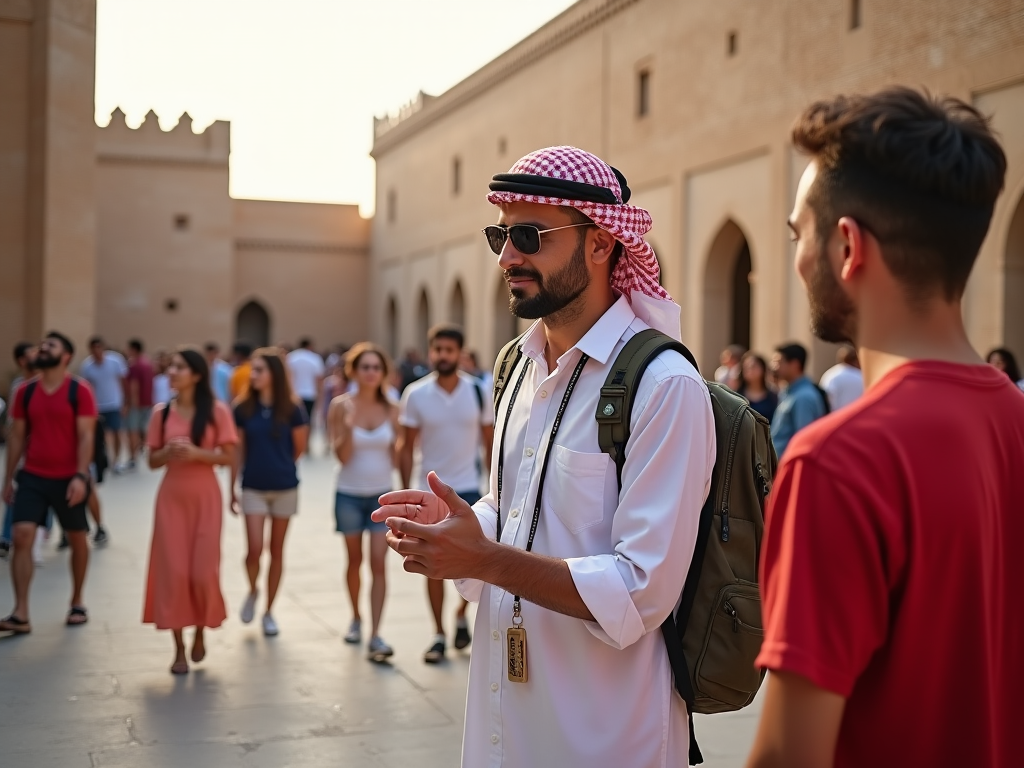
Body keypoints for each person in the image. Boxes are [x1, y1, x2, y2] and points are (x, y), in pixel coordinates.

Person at [374, 146, 715, 766]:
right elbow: (519, 512)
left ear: (601, 243)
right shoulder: (516, 368)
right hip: (506, 722)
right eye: (499, 236)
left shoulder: (662, 385)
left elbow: (640, 590)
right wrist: (463, 527)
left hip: (605, 733)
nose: (508, 257)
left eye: (529, 235)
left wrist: (487, 559)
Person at [745, 87, 1022, 768]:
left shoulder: (837, 463)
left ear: (847, 246)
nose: (797, 257)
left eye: (796, 234)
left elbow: (789, 757)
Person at [398, 324, 494, 663]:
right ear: (430, 352)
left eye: (449, 350)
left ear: (460, 353)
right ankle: (438, 633)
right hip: (430, 493)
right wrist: (405, 490)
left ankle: (460, 615)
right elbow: (405, 446)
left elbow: (490, 442)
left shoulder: (478, 392)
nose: (442, 355)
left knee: (474, 563)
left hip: (468, 489)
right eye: (437, 349)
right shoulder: (416, 394)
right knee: (432, 565)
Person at [143, 347, 237, 674]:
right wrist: (167, 451)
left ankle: (200, 631)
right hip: (171, 498)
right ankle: (179, 648)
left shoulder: (217, 411)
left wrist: (198, 453)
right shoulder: (161, 413)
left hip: (205, 497)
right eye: (171, 367)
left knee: (201, 571)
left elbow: (228, 457)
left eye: (179, 367)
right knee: (174, 573)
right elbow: (151, 462)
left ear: (196, 374)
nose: (172, 372)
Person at [0, 332, 98, 634]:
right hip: (33, 476)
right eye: (41, 346)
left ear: (65, 356)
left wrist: (81, 476)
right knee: (22, 535)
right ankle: (21, 613)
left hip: (69, 477)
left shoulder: (79, 390)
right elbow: (17, 436)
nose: (42, 349)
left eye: (50, 346)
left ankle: (77, 599)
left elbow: (86, 436)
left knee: (78, 538)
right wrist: (8, 479)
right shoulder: (25, 392)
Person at [230, 348, 309, 637]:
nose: (253, 375)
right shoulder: (242, 408)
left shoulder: (293, 408)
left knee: (276, 551)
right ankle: (253, 589)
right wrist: (231, 487)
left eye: (259, 370)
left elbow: (298, 448)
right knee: (253, 551)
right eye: (253, 369)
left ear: (274, 374)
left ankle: (269, 611)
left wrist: (280, 466)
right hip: (253, 486)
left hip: (285, 486)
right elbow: (238, 449)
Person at [329, 343, 399, 662]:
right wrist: (346, 427)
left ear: (383, 372)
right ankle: (356, 617)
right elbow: (341, 457)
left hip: (381, 495)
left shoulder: (392, 406)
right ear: (353, 371)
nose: (371, 373)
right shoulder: (340, 406)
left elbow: (398, 455)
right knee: (354, 561)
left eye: (376, 367)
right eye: (365, 367)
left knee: (378, 562)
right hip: (348, 493)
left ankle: (376, 633)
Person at [2, 342, 38, 559]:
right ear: (21, 361)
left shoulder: (50, 382)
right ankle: (6, 537)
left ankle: (47, 531)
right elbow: (13, 425)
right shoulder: (19, 387)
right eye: (31, 354)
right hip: (24, 452)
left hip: (49, 453)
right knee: (16, 491)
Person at [80, 337, 128, 472]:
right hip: (97, 406)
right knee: (101, 435)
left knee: (117, 431)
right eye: (94, 348)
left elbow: (123, 381)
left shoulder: (116, 360)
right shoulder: (87, 366)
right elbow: (87, 387)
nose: (97, 351)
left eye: (99, 347)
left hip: (114, 403)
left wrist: (125, 402)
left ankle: (117, 460)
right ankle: (102, 459)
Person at [769, 342, 826, 456]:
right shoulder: (789, 392)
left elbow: (804, 441)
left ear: (795, 364)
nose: (774, 367)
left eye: (779, 362)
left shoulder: (804, 397)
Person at [125, 338, 155, 469]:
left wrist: (131, 403)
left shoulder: (135, 365)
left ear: (133, 349)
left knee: (133, 430)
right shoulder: (148, 363)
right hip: (147, 402)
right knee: (143, 429)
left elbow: (134, 385)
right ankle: (141, 450)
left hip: (137, 404)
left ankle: (133, 457)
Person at [287, 338, 326, 427]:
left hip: (294, 393)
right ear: (310, 346)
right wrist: (321, 396)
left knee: (293, 421)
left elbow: (288, 376)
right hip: (310, 394)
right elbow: (319, 379)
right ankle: (306, 440)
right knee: (307, 421)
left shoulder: (291, 357)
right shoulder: (315, 358)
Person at [818, 344, 864, 410]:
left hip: (836, 416)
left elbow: (826, 399)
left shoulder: (831, 374)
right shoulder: (861, 376)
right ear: (856, 361)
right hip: (858, 416)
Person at [738, 351, 778, 421]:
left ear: (763, 369)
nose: (750, 370)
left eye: (753, 366)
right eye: (746, 367)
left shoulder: (773, 397)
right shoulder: (737, 397)